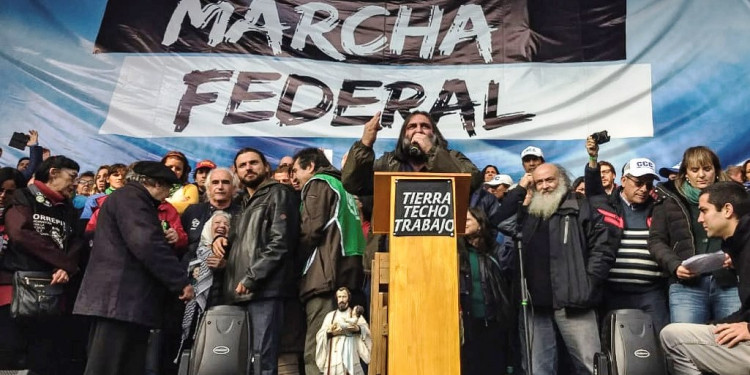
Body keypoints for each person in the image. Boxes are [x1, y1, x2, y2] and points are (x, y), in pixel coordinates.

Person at [74, 161, 194, 375]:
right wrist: (179, 281)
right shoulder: (132, 199)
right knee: (109, 366)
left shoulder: (127, 199)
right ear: (155, 183)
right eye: (168, 187)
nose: (167, 195)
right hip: (120, 301)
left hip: (121, 302)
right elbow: (146, 242)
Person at [518, 163, 616, 375]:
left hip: (575, 302)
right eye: (539, 182)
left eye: (549, 180)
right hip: (536, 307)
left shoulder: (581, 206)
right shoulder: (531, 211)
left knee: (591, 367)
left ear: (562, 179)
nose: (545, 186)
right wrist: (519, 190)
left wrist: (588, 283)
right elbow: (500, 223)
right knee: (537, 370)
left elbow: (603, 248)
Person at [213, 147, 300, 375]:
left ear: (266, 167)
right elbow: (244, 244)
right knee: (241, 361)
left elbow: (281, 243)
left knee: (262, 361)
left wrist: (252, 277)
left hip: (265, 290)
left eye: (253, 163)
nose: (248, 168)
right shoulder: (242, 203)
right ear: (236, 172)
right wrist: (223, 242)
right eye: (242, 165)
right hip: (238, 291)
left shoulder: (279, 193)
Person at [1, 156, 87, 374]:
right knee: (10, 355)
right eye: (72, 176)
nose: (75, 183)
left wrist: (66, 267)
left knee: (44, 358)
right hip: (16, 290)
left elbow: (76, 241)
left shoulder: (68, 207)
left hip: (54, 293)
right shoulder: (23, 196)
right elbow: (20, 233)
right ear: (53, 173)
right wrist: (63, 263)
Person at [660, 181, 750, 375]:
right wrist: (711, 329)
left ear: (727, 210)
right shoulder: (739, 248)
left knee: (672, 336)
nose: (700, 219)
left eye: (704, 210)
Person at [290, 147, 366, 375]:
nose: (293, 177)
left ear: (310, 166)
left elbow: (310, 230)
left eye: (296, 170)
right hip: (349, 280)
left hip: (324, 280)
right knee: (343, 356)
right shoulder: (344, 187)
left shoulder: (318, 183)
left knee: (319, 353)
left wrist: (293, 264)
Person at [585, 140, 670, 333]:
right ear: (623, 181)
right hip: (612, 292)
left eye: (648, 185)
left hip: (651, 292)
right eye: (638, 183)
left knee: (664, 342)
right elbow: (592, 189)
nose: (643, 189)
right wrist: (592, 158)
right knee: (613, 345)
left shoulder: (660, 207)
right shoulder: (606, 204)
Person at [648, 146, 738, 324]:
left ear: (717, 171)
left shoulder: (736, 197)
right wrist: (675, 266)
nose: (701, 175)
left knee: (732, 344)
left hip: (729, 282)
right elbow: (656, 240)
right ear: (685, 173)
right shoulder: (669, 197)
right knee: (686, 345)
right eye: (695, 170)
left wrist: (737, 256)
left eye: (707, 169)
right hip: (686, 285)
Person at [459, 207, 513, 375]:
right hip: (468, 324)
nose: (463, 224)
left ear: (480, 223)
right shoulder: (458, 253)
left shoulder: (496, 249)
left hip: (494, 321)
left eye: (467, 220)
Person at [0, 167, 30, 367]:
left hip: (8, 295)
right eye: (0, 190)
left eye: (9, 192)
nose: (2, 196)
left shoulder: (24, 222)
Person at [181, 167, 239, 261]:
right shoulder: (193, 211)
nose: (220, 187)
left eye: (225, 182)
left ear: (234, 188)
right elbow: (180, 245)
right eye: (215, 182)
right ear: (208, 188)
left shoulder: (243, 215)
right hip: (187, 272)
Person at [315, 287, 371, 375]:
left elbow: (366, 331)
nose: (341, 300)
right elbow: (320, 335)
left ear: (348, 298)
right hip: (333, 356)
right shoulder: (330, 316)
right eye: (339, 297)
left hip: (350, 353)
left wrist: (358, 329)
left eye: (344, 297)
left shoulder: (354, 314)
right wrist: (330, 332)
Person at [163, 150, 199, 214]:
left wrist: (161, 205)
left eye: (178, 169)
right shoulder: (153, 184)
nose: (173, 170)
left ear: (183, 172)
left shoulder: (190, 188)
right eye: (170, 167)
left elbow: (190, 207)